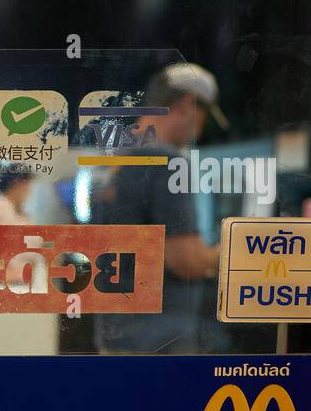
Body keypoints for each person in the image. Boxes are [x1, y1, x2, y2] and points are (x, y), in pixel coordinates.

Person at [90, 62, 224, 354]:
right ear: (187, 104)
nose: (200, 129)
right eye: (203, 116)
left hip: (115, 332)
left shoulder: (113, 157)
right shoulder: (166, 160)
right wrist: (228, 254)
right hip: (161, 341)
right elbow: (185, 259)